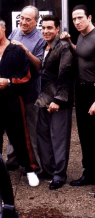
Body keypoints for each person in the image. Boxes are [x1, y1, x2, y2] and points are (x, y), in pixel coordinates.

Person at [0, 15, 39, 187]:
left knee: (19, 137)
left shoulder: (16, 51)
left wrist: (9, 82)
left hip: (13, 100)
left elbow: (27, 76)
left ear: (4, 28)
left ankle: (30, 169)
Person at [35, 15, 74, 190]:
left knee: (58, 138)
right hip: (43, 99)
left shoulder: (63, 46)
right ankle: (48, 169)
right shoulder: (44, 46)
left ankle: (59, 174)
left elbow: (65, 75)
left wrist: (58, 99)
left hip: (58, 100)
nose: (45, 31)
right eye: (43, 28)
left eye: (50, 28)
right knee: (43, 136)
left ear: (57, 29)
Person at [6, 5, 45, 173]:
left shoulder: (41, 38)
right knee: (12, 123)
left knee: (31, 127)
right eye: (21, 18)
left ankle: (35, 163)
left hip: (31, 90)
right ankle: (12, 159)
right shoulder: (15, 32)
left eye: (28, 19)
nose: (23, 22)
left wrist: (24, 50)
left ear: (36, 21)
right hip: (13, 87)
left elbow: (39, 65)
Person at [60, 5, 95, 186]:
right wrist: (70, 42)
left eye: (80, 18)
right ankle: (89, 173)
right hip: (81, 90)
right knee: (85, 134)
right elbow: (82, 54)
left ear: (89, 17)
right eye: (74, 19)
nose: (77, 22)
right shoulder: (81, 37)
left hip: (94, 92)